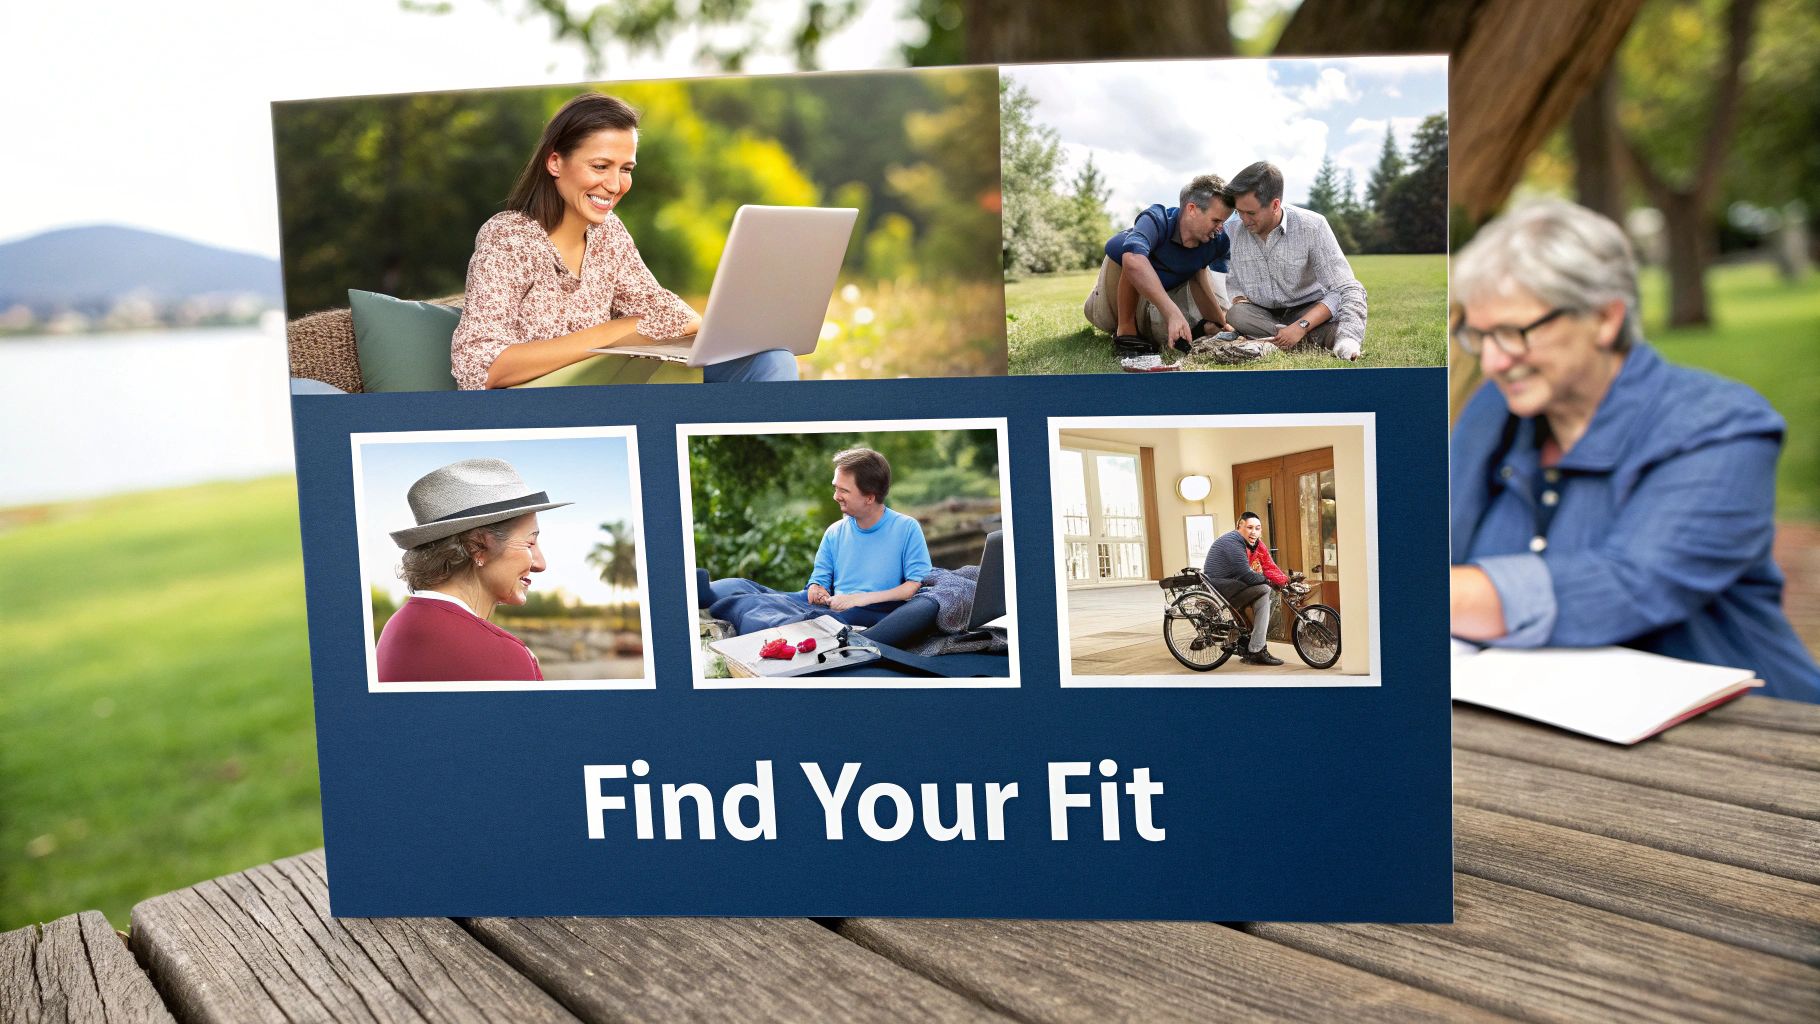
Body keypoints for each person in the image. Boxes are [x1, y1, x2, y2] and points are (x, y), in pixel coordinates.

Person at [1449, 200, 1820, 703]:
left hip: (1749, 744)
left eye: (1514, 333)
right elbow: (1438, 539)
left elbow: (1628, 585)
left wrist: (1422, 595)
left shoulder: (1723, 428)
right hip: (1540, 726)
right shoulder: (1497, 408)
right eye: (1479, 334)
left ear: (1604, 318)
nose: (1492, 361)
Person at [449, 92, 797, 390]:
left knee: (770, 360)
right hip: (547, 406)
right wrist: (614, 333)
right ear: (555, 162)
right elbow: (481, 366)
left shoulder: (608, 234)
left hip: (613, 387)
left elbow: (664, 311)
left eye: (626, 169)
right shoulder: (509, 237)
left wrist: (730, 328)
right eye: (600, 166)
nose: (615, 186)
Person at [375, 459, 571, 683]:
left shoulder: (397, 627)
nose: (541, 563)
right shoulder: (507, 657)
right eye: (530, 543)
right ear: (477, 546)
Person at [700, 448, 932, 630]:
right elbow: (819, 579)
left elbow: (913, 588)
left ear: (869, 497)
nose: (835, 496)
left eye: (844, 491)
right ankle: (705, 592)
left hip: (873, 612)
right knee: (751, 591)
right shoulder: (834, 532)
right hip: (835, 605)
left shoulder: (906, 528)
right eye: (835, 487)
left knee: (767, 611)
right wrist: (816, 588)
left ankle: (735, 607)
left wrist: (859, 599)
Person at [1214, 161, 1367, 363]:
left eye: (1250, 213)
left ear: (1275, 205)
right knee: (1237, 314)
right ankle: (1307, 341)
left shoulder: (1312, 226)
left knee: (1348, 305)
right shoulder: (1231, 230)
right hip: (1261, 315)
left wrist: (1301, 326)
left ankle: (1279, 341)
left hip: (1309, 311)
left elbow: (1345, 288)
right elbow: (1233, 285)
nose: (1244, 220)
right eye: (1238, 212)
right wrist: (1239, 299)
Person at [1082, 174, 1234, 357]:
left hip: (1156, 298)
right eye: (1216, 221)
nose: (1220, 228)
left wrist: (1222, 324)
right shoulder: (1156, 219)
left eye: (1223, 222)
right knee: (1133, 258)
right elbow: (1132, 260)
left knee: (1203, 272)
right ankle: (1126, 331)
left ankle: (1203, 326)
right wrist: (1172, 314)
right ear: (1192, 209)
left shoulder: (1217, 241)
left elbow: (1199, 279)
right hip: (1110, 299)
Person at [1202, 512, 1288, 666]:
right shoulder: (1232, 542)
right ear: (1239, 526)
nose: (1253, 532)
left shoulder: (1251, 543)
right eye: (1249, 527)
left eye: (1257, 528)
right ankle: (1256, 649)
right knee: (1264, 589)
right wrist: (1268, 580)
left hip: (1231, 585)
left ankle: (1255, 647)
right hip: (1220, 588)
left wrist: (1284, 581)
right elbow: (1247, 575)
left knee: (1263, 593)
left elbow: (1268, 564)